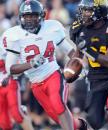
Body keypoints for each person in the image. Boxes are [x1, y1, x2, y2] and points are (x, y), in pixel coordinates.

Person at [4, 0, 87, 130]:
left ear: (42, 16)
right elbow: (10, 69)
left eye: (33, 15)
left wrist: (80, 56)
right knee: (58, 118)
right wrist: (31, 64)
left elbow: (70, 52)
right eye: (26, 16)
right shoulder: (14, 36)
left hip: (53, 75)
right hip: (35, 84)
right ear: (21, 17)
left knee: (59, 106)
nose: (30, 19)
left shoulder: (52, 28)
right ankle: (83, 126)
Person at [70, 0, 108, 130]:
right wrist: (70, 71)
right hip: (96, 77)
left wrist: (88, 49)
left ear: (100, 11)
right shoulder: (78, 28)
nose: (84, 14)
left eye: (88, 10)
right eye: (83, 10)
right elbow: (78, 55)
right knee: (95, 122)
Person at [0, 41, 34, 130]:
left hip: (8, 83)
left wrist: (9, 75)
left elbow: (16, 64)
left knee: (17, 114)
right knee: (4, 122)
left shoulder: (3, 45)